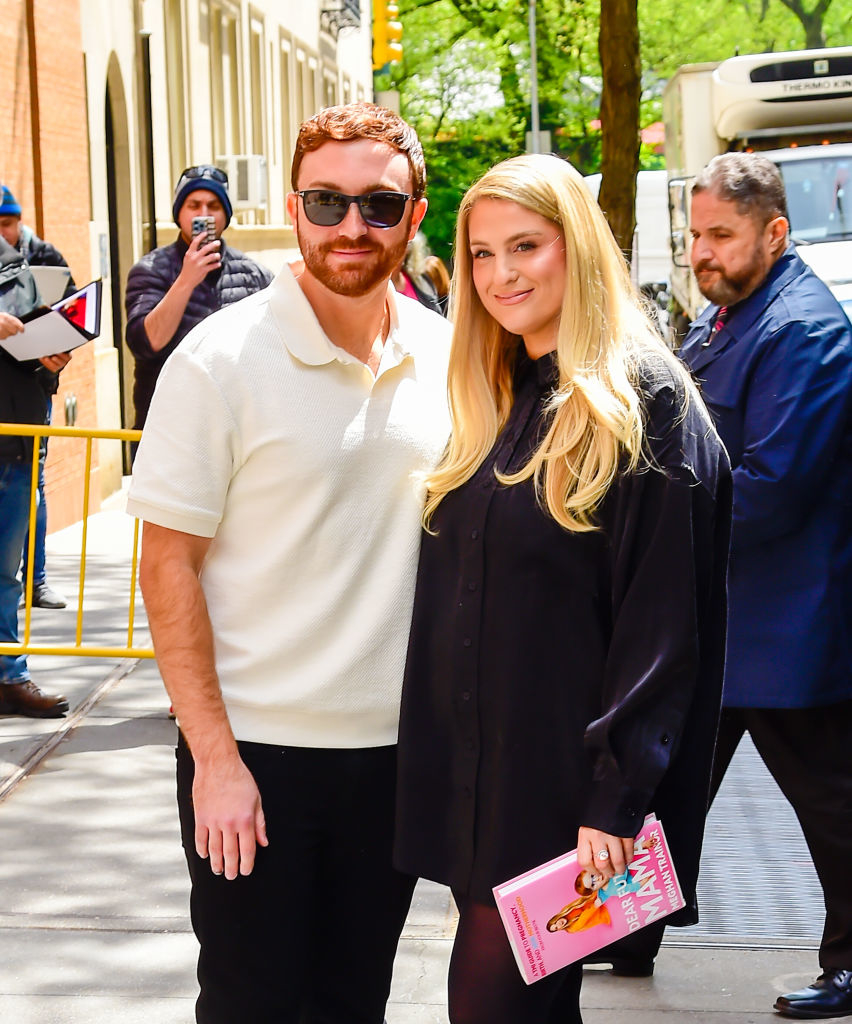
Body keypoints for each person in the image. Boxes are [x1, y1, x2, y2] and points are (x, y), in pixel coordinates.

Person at [126, 103, 452, 1023]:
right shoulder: (217, 361)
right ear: (293, 207)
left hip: (395, 762)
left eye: (379, 205)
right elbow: (167, 568)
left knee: (355, 1003)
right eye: (327, 201)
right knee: (251, 1004)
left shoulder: (450, 351)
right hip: (257, 760)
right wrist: (216, 762)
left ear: (415, 213)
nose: (353, 226)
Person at [392, 153, 732, 1023]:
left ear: (575, 248)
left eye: (526, 247)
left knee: (494, 1006)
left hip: (570, 795)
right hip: (488, 780)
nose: (501, 274)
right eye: (480, 253)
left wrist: (616, 801)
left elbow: (663, 627)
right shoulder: (499, 394)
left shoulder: (645, 404)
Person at [677, 153, 852, 1021]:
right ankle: (610, 934)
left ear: (774, 233)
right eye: (694, 235)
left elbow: (773, 488)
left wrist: (654, 528)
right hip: (725, 619)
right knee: (658, 784)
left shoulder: (804, 331)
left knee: (831, 803)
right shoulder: (729, 315)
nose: (701, 252)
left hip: (789, 627)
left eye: (720, 236)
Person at [124, 164, 272, 434]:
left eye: (213, 206)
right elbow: (146, 343)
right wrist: (186, 280)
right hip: (168, 428)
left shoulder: (253, 274)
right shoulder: (150, 269)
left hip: (234, 428)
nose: (203, 214)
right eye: (194, 205)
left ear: (225, 216)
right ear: (179, 214)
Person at [0, 236, 70, 717]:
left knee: (5, 576)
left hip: (16, 448)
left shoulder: (13, 266)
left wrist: (53, 361)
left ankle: (9, 677)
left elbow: (32, 353)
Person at [0, 182, 75, 610]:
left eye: (8, 223)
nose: (3, 233)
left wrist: (61, 350)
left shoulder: (45, 256)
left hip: (35, 391)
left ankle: (38, 578)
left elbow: (75, 315)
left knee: (34, 486)